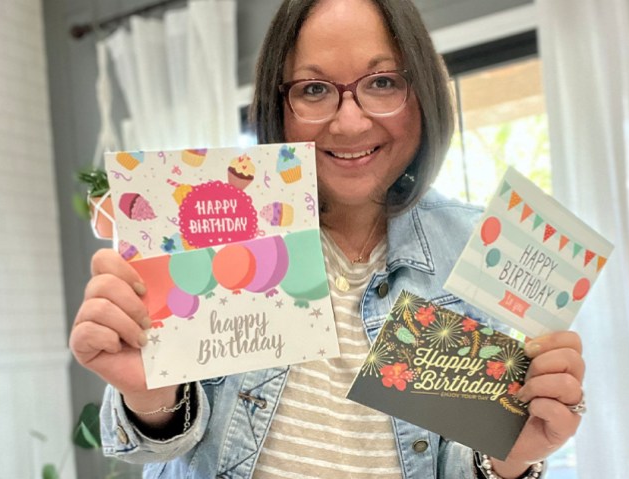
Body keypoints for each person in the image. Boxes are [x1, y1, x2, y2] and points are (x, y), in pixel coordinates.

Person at [69, 0, 586, 477]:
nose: (350, 121)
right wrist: (151, 396)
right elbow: (159, 447)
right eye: (314, 89)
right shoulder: (210, 229)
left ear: (422, 89)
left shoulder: (479, 251)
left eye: (382, 82)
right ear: (280, 104)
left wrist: (509, 461)